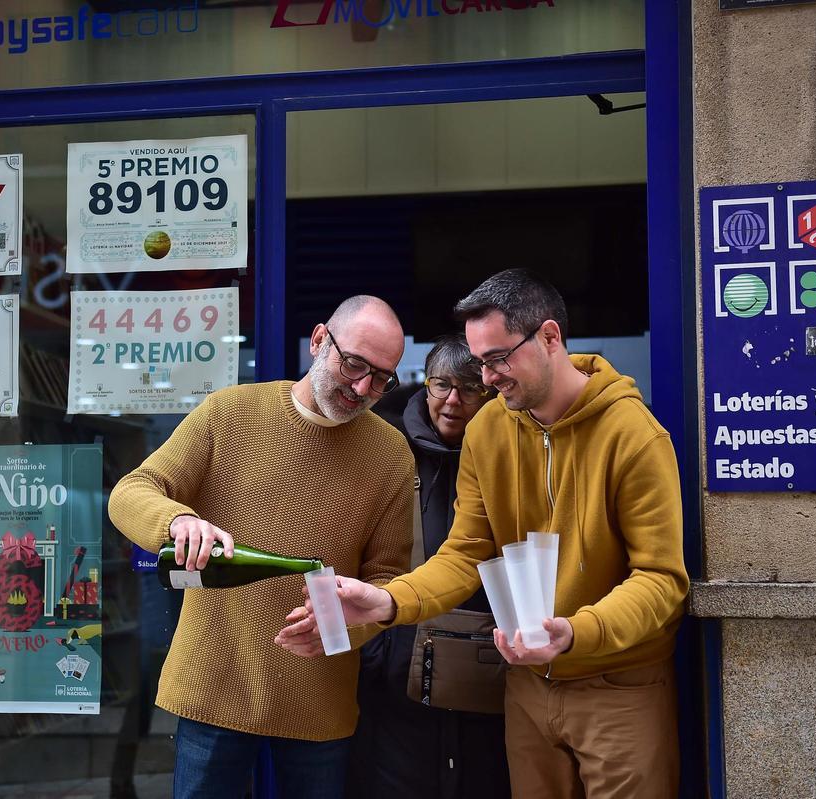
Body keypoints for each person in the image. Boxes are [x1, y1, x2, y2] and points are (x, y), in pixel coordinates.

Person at [278, 270, 689, 799]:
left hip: (618, 684)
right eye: (479, 363)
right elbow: (465, 552)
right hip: (525, 686)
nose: (487, 378)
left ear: (548, 337)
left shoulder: (634, 435)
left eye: (497, 359)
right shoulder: (490, 430)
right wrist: (386, 601)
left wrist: (575, 633)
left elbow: (661, 579)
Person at [108, 295, 415, 799]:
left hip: (321, 696)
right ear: (320, 340)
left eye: (381, 377)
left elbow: (386, 582)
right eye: (354, 363)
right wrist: (178, 521)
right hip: (215, 683)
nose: (363, 388)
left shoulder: (391, 456)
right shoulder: (231, 412)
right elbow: (131, 491)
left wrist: (347, 627)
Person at [346, 334, 510, 799]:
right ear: (424, 385)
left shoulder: (511, 449)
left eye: (469, 388)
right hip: (396, 657)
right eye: (441, 385)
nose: (453, 401)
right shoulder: (383, 446)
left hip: (490, 655)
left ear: (492, 391)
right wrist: (380, 650)